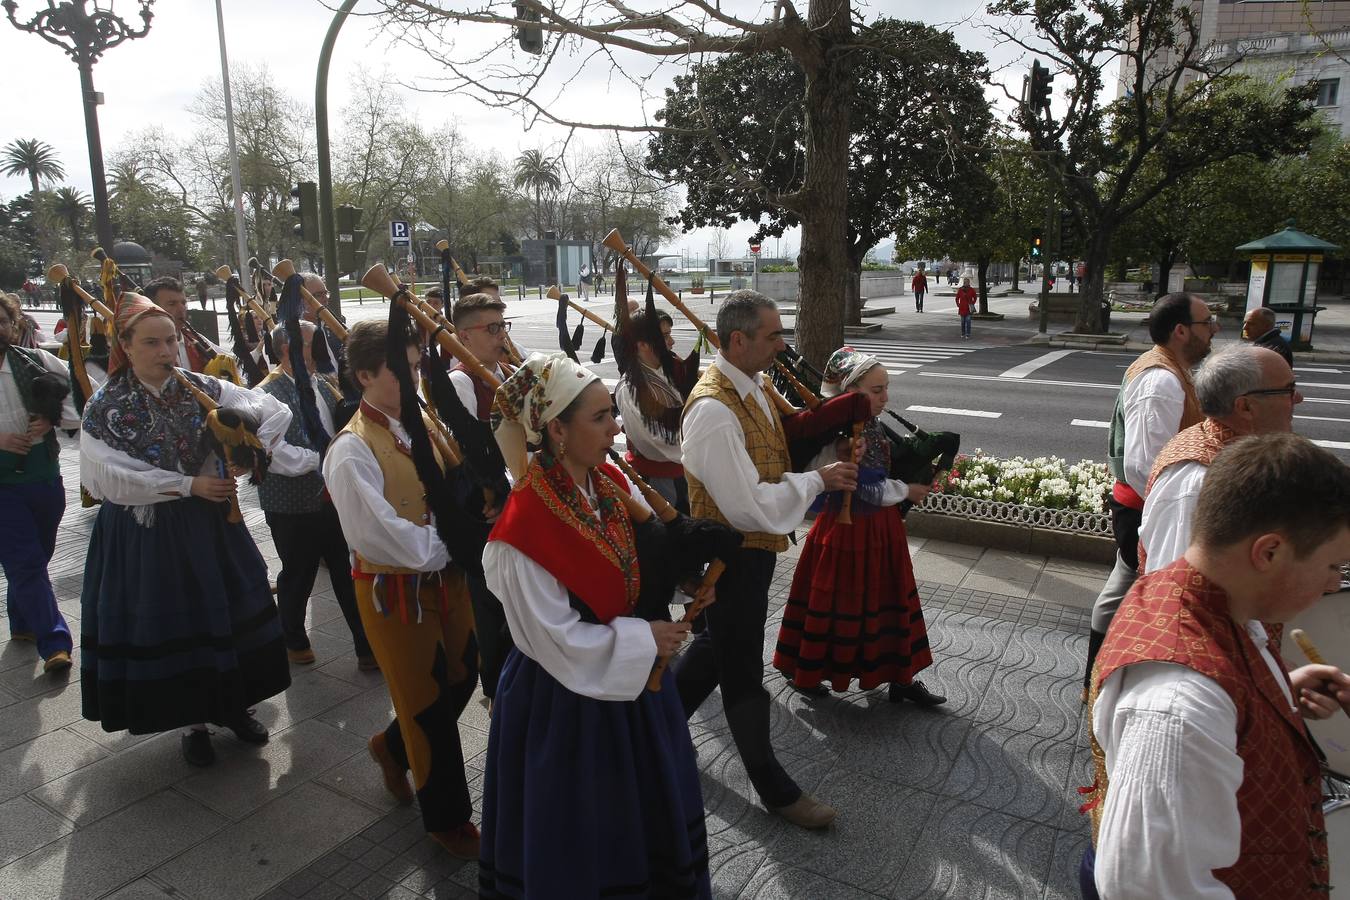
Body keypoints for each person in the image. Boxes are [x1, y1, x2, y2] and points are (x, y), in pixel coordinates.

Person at [480, 351, 713, 899]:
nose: (616, 427)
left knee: (644, 813)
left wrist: (686, 581)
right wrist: (644, 637)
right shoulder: (523, 528)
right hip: (564, 700)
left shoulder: (606, 481)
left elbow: (644, 553)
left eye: (613, 413)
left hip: (632, 684)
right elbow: (553, 638)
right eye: (601, 417)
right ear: (556, 430)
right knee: (584, 830)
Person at [1082, 433, 1350, 899]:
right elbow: (1143, 887)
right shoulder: (1179, 708)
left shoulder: (1193, 590)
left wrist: (1280, 689)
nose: (1333, 585)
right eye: (1333, 566)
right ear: (1268, 552)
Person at [79, 295, 295, 766]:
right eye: (152, 342)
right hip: (148, 530)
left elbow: (273, 411)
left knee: (225, 610)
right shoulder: (107, 405)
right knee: (176, 617)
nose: (165, 351)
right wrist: (186, 483)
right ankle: (193, 723)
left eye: (171, 340)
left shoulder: (200, 386)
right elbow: (108, 478)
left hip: (212, 522)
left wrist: (246, 447)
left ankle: (234, 705)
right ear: (126, 345)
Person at [677, 290, 858, 829]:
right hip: (729, 558)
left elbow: (777, 456)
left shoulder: (753, 385)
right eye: (774, 335)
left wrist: (830, 451)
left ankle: (654, 728)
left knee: (715, 647)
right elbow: (748, 505)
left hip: (750, 557)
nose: (783, 345)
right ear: (738, 340)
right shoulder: (711, 410)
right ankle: (775, 789)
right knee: (741, 674)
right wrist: (818, 480)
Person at [323, 319, 480, 859]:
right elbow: (377, 535)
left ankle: (389, 747)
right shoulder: (350, 449)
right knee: (428, 704)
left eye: (416, 365)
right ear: (365, 375)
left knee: (465, 673)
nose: (415, 378)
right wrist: (457, 544)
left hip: (450, 580)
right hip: (397, 593)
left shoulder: (421, 421)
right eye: (402, 369)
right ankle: (446, 818)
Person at [773, 347, 943, 703]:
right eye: (876, 390)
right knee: (844, 607)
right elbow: (863, 487)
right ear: (851, 393)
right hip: (849, 531)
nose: (885, 397)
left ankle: (901, 676)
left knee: (888, 602)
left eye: (886, 388)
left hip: (881, 530)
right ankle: (807, 673)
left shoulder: (868, 423)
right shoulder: (845, 431)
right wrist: (908, 490)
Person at [1082, 292, 1217, 693]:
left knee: (1122, 591)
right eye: (1207, 322)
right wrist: (1174, 515)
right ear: (1180, 331)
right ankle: (1105, 680)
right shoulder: (1160, 381)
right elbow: (1146, 465)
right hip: (1145, 509)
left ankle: (1098, 679)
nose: (1214, 330)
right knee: (1140, 594)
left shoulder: (1174, 371)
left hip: (1147, 507)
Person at [256, 321, 375, 670]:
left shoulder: (324, 384)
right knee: (298, 572)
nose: (318, 351)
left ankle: (366, 645)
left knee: (345, 569)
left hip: (331, 498)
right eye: (311, 344)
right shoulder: (266, 393)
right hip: (290, 502)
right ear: (287, 349)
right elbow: (273, 454)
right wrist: (325, 459)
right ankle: (292, 638)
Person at [1139, 344, 1301, 574]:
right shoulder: (1197, 485)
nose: (1298, 398)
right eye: (1288, 390)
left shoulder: (1237, 453)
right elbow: (1173, 588)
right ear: (1245, 406)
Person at [0, 292, 78, 672]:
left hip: (44, 476)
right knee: (26, 561)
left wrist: (51, 419)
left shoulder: (37, 362)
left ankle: (23, 622)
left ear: (13, 325)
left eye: (1, 321)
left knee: (38, 554)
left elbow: (79, 401)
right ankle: (55, 643)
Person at [614, 309, 688, 511]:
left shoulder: (671, 372)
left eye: (669, 334)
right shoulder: (631, 388)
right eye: (664, 336)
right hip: (659, 480)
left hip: (685, 470)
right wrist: (699, 446)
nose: (671, 342)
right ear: (643, 344)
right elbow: (655, 441)